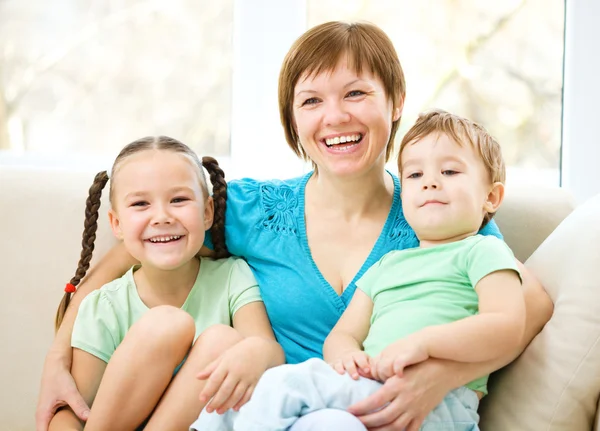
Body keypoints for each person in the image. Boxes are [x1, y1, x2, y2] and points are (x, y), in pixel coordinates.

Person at [37, 22, 553, 431]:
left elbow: (529, 306)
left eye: (356, 94)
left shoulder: (434, 210)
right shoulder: (249, 209)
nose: (335, 117)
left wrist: (441, 376)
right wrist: (57, 359)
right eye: (311, 100)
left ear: (395, 103)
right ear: (292, 121)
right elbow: (131, 249)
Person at [194, 109, 524, 430]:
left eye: (450, 172)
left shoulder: (483, 250)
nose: (430, 184)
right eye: (415, 175)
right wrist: (348, 356)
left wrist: (426, 344)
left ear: (492, 197)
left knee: (292, 384)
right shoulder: (388, 264)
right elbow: (344, 334)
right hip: (373, 386)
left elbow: (507, 324)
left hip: (441, 401)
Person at [47, 136, 284, 431]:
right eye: (140, 203)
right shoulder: (103, 306)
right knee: (166, 324)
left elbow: (269, 350)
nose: (161, 217)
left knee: (223, 341)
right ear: (116, 224)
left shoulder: (232, 277)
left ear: (207, 212)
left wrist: (258, 351)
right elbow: (73, 412)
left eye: (179, 200)